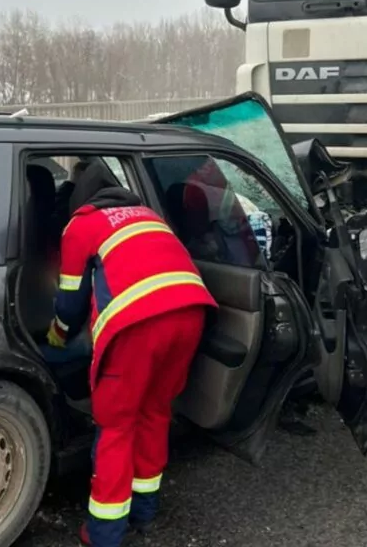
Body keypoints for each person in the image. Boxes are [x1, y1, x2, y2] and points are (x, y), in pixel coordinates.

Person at [45, 161, 217, 547]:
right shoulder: (147, 215)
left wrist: (55, 339)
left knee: (117, 425)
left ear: (81, 199)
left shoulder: (82, 224)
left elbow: (69, 302)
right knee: (155, 412)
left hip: (138, 324)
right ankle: (144, 510)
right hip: (192, 312)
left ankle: (104, 533)